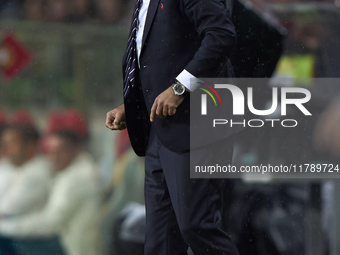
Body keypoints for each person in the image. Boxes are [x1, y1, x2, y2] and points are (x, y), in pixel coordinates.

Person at [106, 0, 241, 254]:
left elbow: (221, 36)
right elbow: (155, 57)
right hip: (160, 129)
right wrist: (132, 105)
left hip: (198, 126)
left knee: (196, 226)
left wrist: (180, 88)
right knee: (161, 240)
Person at [0, 129, 103, 255]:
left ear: (76, 150)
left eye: (60, 151)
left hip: (72, 248)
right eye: (51, 152)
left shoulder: (77, 178)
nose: (54, 157)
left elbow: (50, 223)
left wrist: (4, 227)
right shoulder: (73, 171)